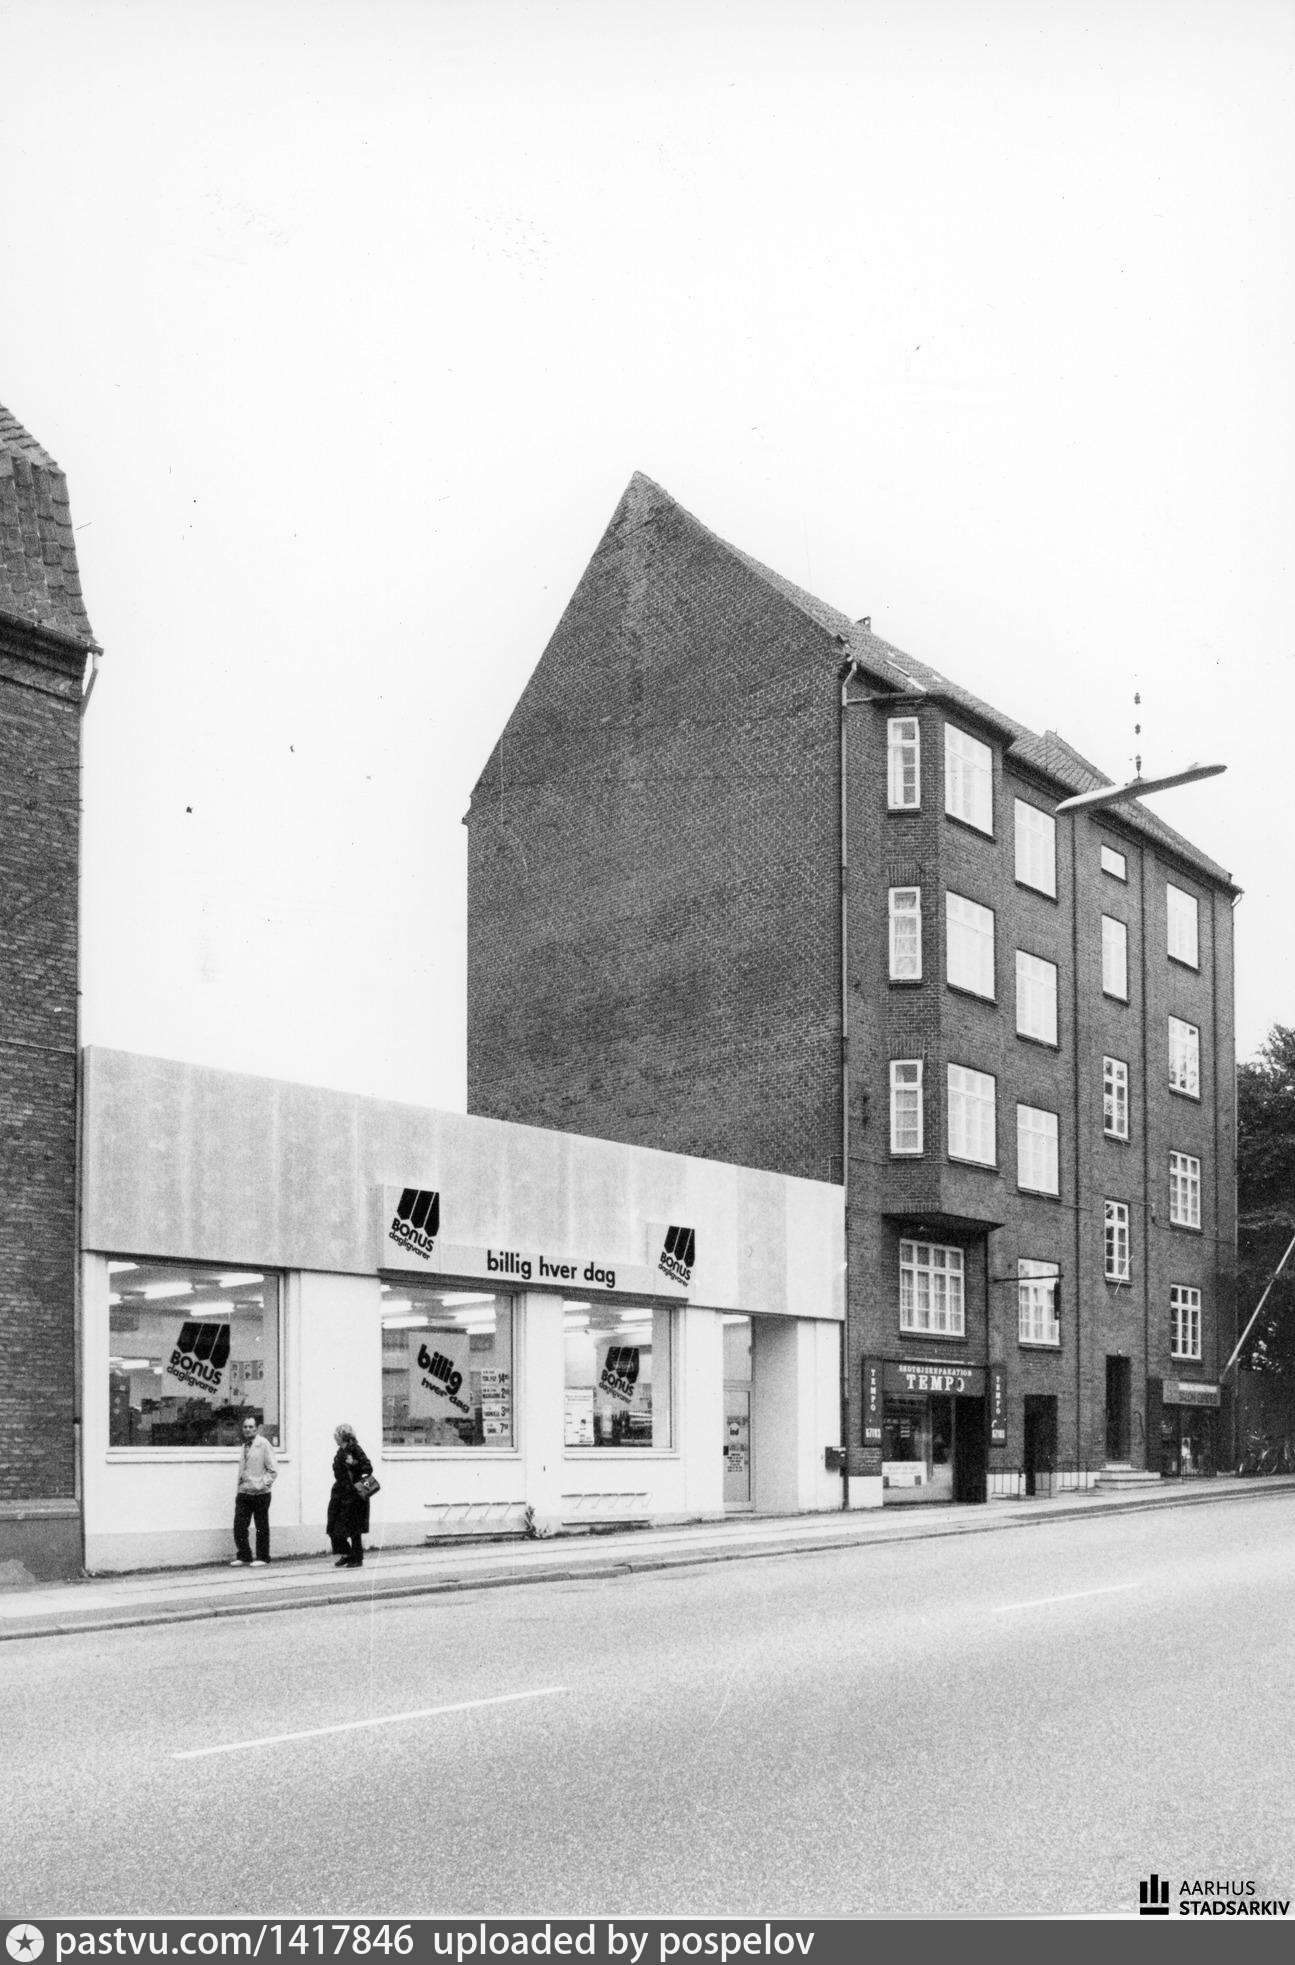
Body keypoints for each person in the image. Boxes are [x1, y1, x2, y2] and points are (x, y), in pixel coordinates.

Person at [231, 1413, 278, 1566]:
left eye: (251, 1426)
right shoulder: (244, 1446)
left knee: (261, 1527)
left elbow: (273, 1470)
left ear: (256, 1429)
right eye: (245, 1426)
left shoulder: (263, 1444)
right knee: (239, 1526)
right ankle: (244, 1555)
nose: (247, 1429)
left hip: (260, 1493)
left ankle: (263, 1557)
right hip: (244, 1492)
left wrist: (262, 1484)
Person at [327, 1422, 373, 1568]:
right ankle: (347, 1553)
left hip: (354, 1493)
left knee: (354, 1527)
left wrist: (353, 1463)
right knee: (333, 1524)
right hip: (340, 1491)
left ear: (343, 1436)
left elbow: (368, 1467)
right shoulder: (341, 1451)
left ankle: (357, 1558)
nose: (334, 1437)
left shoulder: (355, 1449)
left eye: (336, 1434)